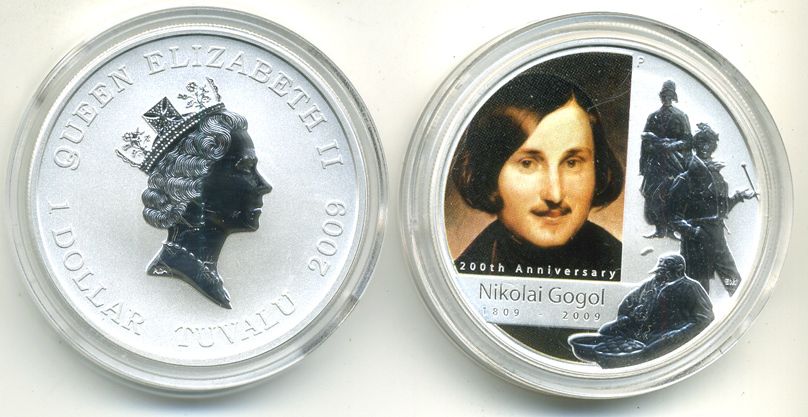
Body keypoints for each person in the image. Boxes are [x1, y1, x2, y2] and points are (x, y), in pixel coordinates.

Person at [451, 72, 624, 279]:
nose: (555, 194)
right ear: (489, 173)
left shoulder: (624, 266)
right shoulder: (463, 273)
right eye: (528, 163)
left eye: (572, 163)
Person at [118, 81, 271, 309]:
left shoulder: (203, 272)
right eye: (245, 168)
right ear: (193, 185)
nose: (264, 186)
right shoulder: (177, 271)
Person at [568, 254, 714, 368]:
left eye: (664, 272)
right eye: (659, 271)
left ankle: (631, 361)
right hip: (637, 329)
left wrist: (678, 334)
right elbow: (627, 303)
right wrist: (625, 318)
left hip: (663, 333)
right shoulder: (651, 283)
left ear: (679, 270)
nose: (659, 275)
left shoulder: (691, 288)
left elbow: (705, 318)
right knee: (605, 330)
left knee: (650, 350)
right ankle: (609, 353)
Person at [668, 123, 756, 296]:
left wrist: (738, 197)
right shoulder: (685, 179)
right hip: (695, 243)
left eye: (709, 142)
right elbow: (672, 217)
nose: (706, 147)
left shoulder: (716, 175)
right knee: (700, 292)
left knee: (735, 283)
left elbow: (719, 211)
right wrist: (694, 232)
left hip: (717, 237)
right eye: (702, 142)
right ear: (695, 145)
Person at [639, 80, 692, 238]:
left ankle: (671, 230)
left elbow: (688, 141)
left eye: (669, 95)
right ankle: (659, 229)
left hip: (674, 163)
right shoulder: (652, 117)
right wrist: (647, 159)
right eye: (664, 95)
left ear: (674, 97)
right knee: (653, 195)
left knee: (673, 195)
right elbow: (645, 141)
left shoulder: (681, 116)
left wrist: (671, 145)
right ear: (660, 96)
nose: (666, 98)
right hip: (655, 164)